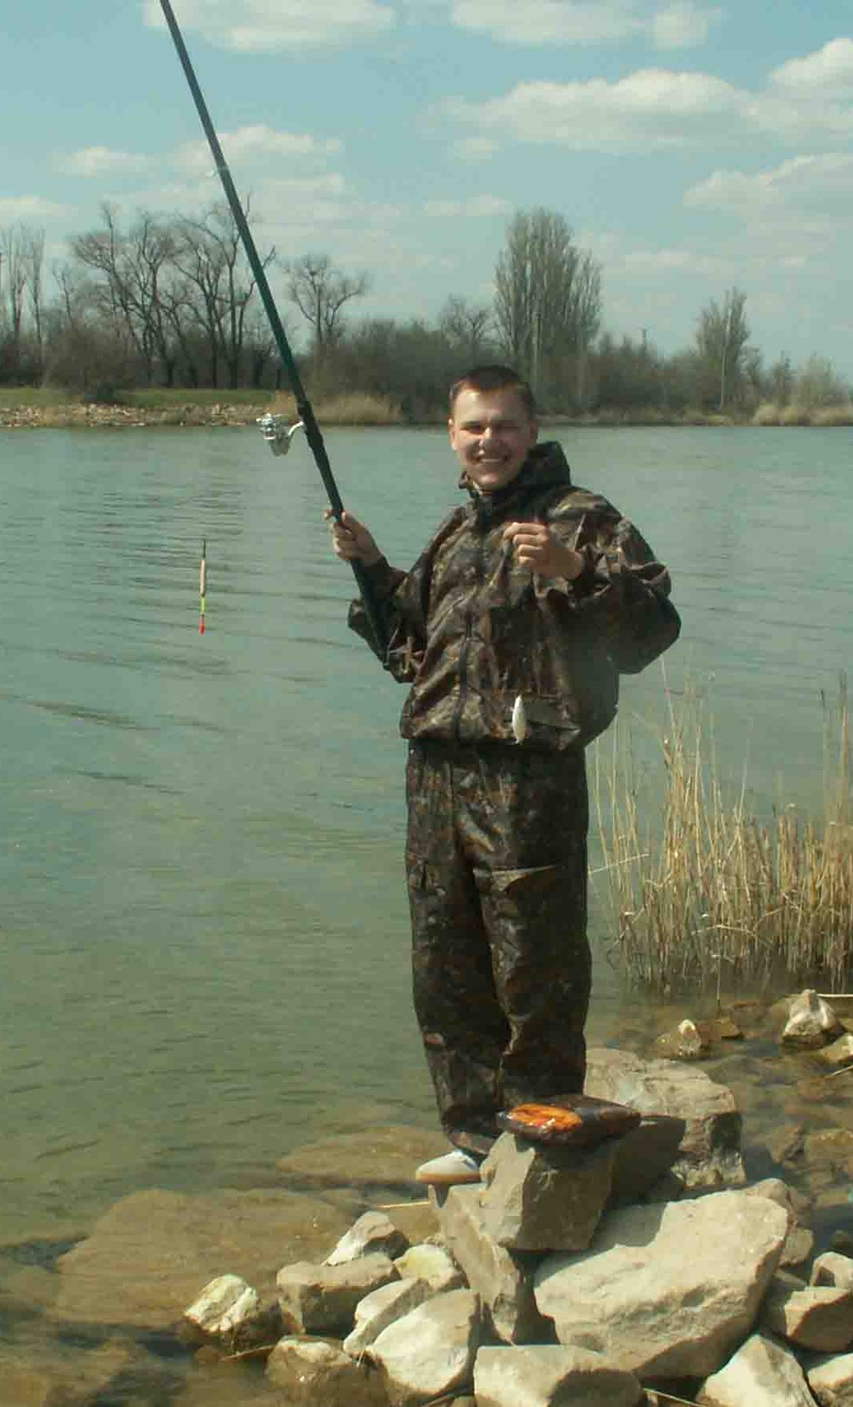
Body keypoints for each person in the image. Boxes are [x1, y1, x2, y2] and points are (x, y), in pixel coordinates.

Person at [327, 365, 680, 1185]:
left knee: (536, 967)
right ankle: (475, 1136)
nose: (489, 441)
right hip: (436, 779)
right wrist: (371, 566)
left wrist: (573, 570)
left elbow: (653, 630)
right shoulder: (458, 532)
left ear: (533, 429)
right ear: (451, 435)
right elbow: (407, 649)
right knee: (445, 965)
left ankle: (545, 1141)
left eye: (504, 426)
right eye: (474, 427)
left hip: (528, 783)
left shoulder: (583, 518)